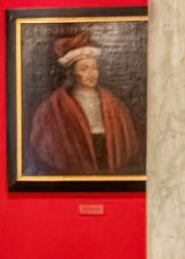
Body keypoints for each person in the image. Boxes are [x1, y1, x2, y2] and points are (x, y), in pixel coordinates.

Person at [27, 32, 143, 176]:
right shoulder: (54, 106)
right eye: (84, 69)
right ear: (72, 73)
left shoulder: (113, 103)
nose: (91, 73)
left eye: (94, 68)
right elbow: (45, 144)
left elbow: (127, 143)